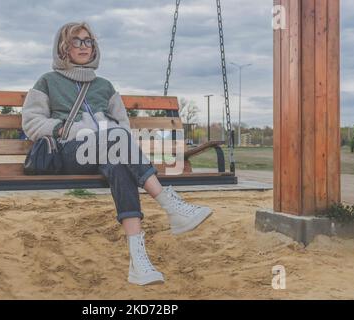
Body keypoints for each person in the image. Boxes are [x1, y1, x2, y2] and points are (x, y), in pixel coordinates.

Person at [22, 22, 213, 286]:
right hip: (70, 152)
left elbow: (122, 125)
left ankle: (138, 261)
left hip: (106, 150)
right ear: (63, 47)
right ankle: (171, 206)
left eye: (88, 41)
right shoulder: (47, 81)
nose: (83, 46)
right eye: (76, 41)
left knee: (120, 166)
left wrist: (108, 135)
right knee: (118, 139)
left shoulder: (105, 86)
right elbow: (31, 122)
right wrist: (71, 129)